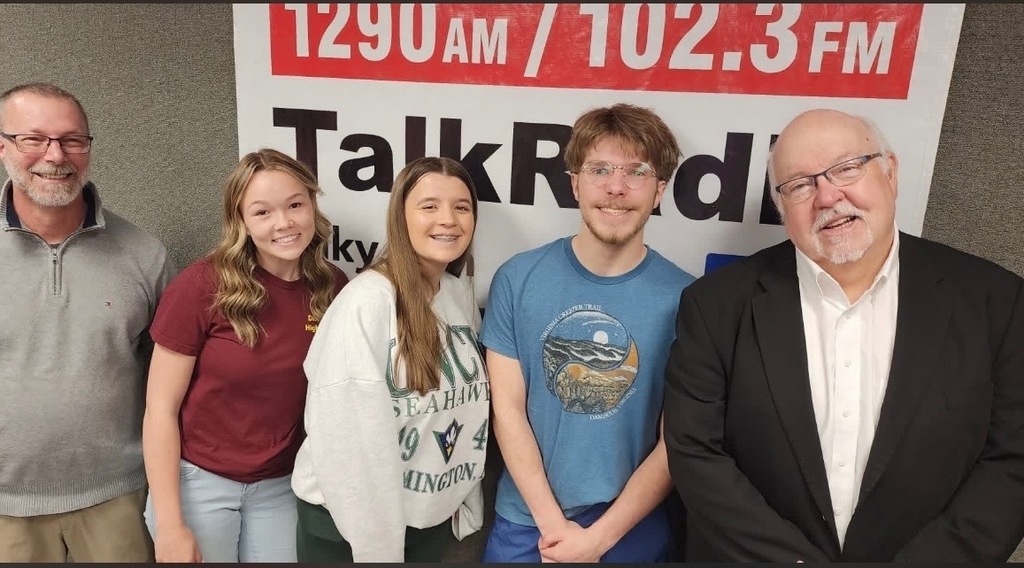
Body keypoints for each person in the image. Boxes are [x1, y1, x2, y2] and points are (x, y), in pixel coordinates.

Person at [663, 108, 1024, 562]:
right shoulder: (715, 304)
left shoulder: (997, 302)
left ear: (890, 172)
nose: (828, 196)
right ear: (782, 208)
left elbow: (1012, 460)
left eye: (847, 168)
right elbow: (695, 453)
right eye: (800, 185)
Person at [479, 103, 697, 563]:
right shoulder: (517, 279)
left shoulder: (689, 300)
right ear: (575, 183)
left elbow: (674, 441)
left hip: (630, 525)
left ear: (659, 191)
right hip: (528, 523)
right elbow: (508, 411)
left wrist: (597, 540)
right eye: (600, 169)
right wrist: (555, 528)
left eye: (636, 172)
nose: (616, 187)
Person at [141, 148, 348, 562]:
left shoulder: (332, 287)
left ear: (312, 205)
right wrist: (170, 524)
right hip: (199, 482)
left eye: (295, 205)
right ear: (241, 221)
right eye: (263, 212)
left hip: (281, 485)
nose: (284, 223)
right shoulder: (202, 286)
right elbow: (159, 410)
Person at [0, 82, 175, 562]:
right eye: (33, 139)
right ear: (3, 147)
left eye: (72, 140)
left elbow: (169, 385)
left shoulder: (144, 254)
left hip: (118, 499)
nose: (55, 155)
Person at [291, 156, 488, 562]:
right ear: (401, 217)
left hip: (426, 520)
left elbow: (463, 409)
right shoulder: (367, 302)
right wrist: (379, 549)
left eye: (462, 207)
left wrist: (460, 495)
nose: (448, 219)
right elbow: (347, 442)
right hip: (351, 528)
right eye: (429, 206)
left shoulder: (457, 295)